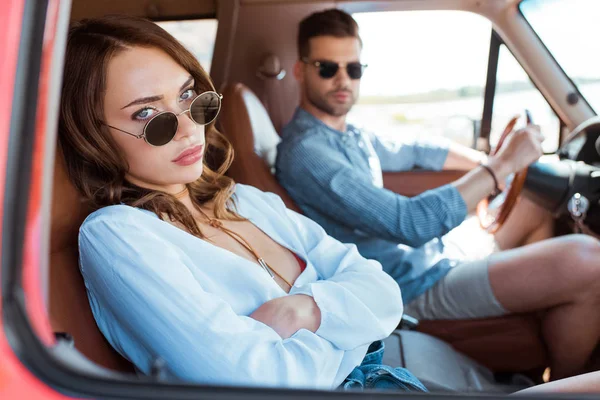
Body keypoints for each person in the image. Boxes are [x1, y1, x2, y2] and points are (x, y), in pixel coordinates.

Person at [59, 15, 600, 394]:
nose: (186, 128)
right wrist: (348, 320)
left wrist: (305, 310)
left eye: (189, 98)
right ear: (91, 136)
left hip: (383, 370)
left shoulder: (245, 200)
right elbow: (256, 379)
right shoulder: (119, 235)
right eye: (147, 117)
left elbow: (379, 290)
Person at [275, 8, 600, 380]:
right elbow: (408, 222)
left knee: (537, 202)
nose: (343, 79)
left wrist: (490, 161)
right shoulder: (307, 153)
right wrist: (500, 167)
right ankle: (569, 385)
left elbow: (417, 150)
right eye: (327, 68)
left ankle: (547, 305)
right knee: (590, 261)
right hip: (405, 285)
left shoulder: (347, 132)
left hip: (433, 255)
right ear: (301, 70)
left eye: (354, 68)